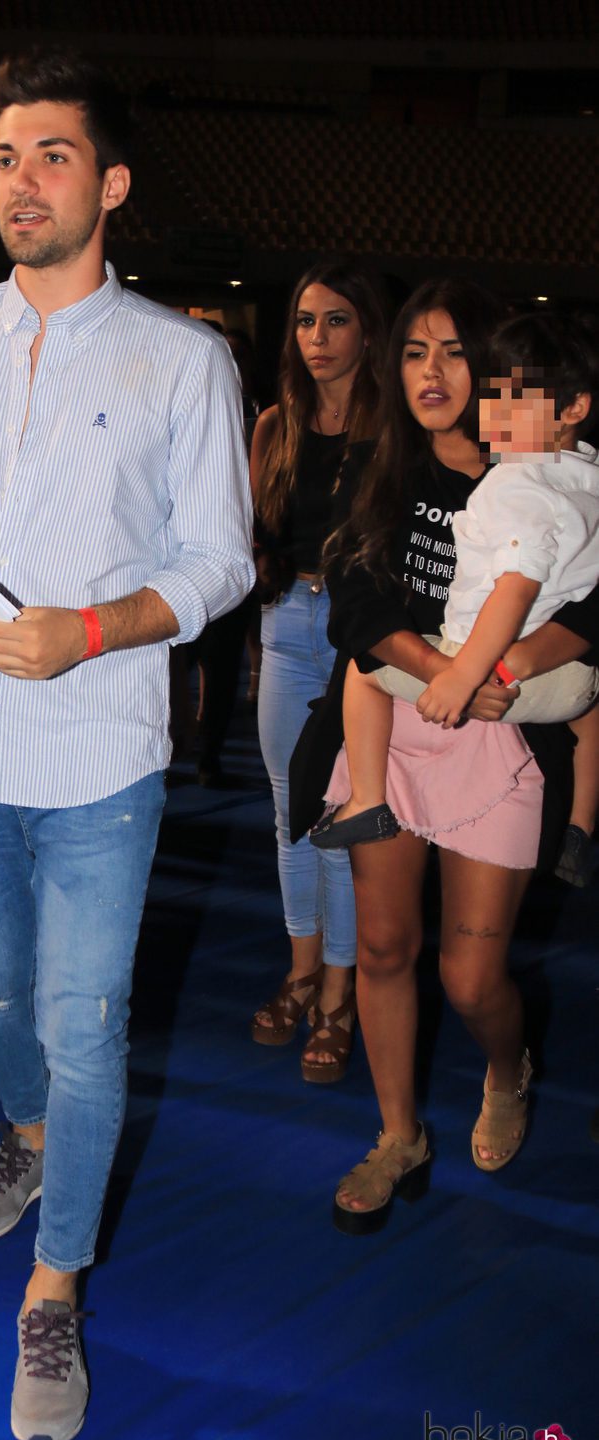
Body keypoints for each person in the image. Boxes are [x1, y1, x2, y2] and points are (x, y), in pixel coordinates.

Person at [0, 50, 253, 1440]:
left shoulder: (185, 357)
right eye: (2, 157)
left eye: (49, 154)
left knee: (84, 1028)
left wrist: (86, 632)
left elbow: (219, 563)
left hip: (100, 750)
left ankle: (55, 1284)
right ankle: (24, 1132)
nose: (19, 181)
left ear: (111, 184)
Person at [303, 280, 598, 1234]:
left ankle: (507, 1068)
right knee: (386, 947)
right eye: (415, 352)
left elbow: (591, 610)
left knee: (474, 981)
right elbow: (354, 608)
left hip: (503, 732)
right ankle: (398, 1136)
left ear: (497, 370)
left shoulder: (545, 470)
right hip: (397, 720)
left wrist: (505, 667)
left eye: (453, 353)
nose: (431, 372)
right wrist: (446, 672)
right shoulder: (381, 466)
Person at [313, 310, 599, 874]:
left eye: (454, 352)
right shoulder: (585, 472)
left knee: (363, 670)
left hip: (483, 666)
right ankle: (581, 827)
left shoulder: (517, 478)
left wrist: (467, 672)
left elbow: (514, 590)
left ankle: (368, 799)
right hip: (563, 680)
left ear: (573, 408)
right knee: (589, 708)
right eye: (414, 353)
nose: (494, 413)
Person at [249, 259, 388, 1083]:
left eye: (336, 321)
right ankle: (302, 972)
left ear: (368, 329)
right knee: (286, 811)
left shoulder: (393, 429)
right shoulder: (276, 425)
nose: (318, 339)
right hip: (286, 620)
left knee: (339, 814)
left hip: (360, 634)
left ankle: (341, 993)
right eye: (306, 322)